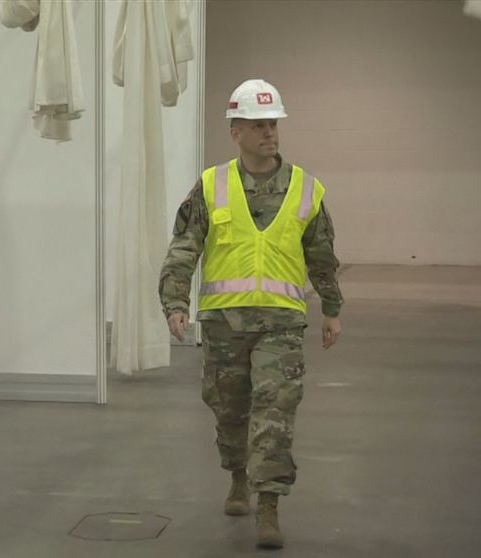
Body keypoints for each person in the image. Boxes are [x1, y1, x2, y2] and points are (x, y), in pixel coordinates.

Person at [158, 78, 344, 549]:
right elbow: (184, 249)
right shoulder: (210, 186)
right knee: (230, 409)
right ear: (235, 131)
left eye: (273, 124)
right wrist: (175, 303)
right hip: (224, 323)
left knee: (275, 409)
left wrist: (332, 309)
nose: (269, 133)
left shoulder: (306, 188)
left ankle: (268, 505)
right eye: (258, 125)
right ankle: (237, 474)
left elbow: (323, 255)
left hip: (281, 322)